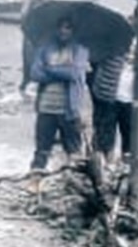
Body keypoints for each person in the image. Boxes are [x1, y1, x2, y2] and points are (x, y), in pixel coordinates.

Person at [27, 14, 90, 175]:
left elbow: (74, 74)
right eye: (61, 27)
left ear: (73, 31)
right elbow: (34, 73)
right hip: (46, 107)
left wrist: (49, 68)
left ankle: (74, 183)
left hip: (69, 109)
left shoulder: (80, 50)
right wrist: (61, 70)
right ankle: (35, 181)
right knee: (42, 150)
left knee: (74, 151)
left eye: (68, 27)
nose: (63, 31)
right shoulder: (45, 48)